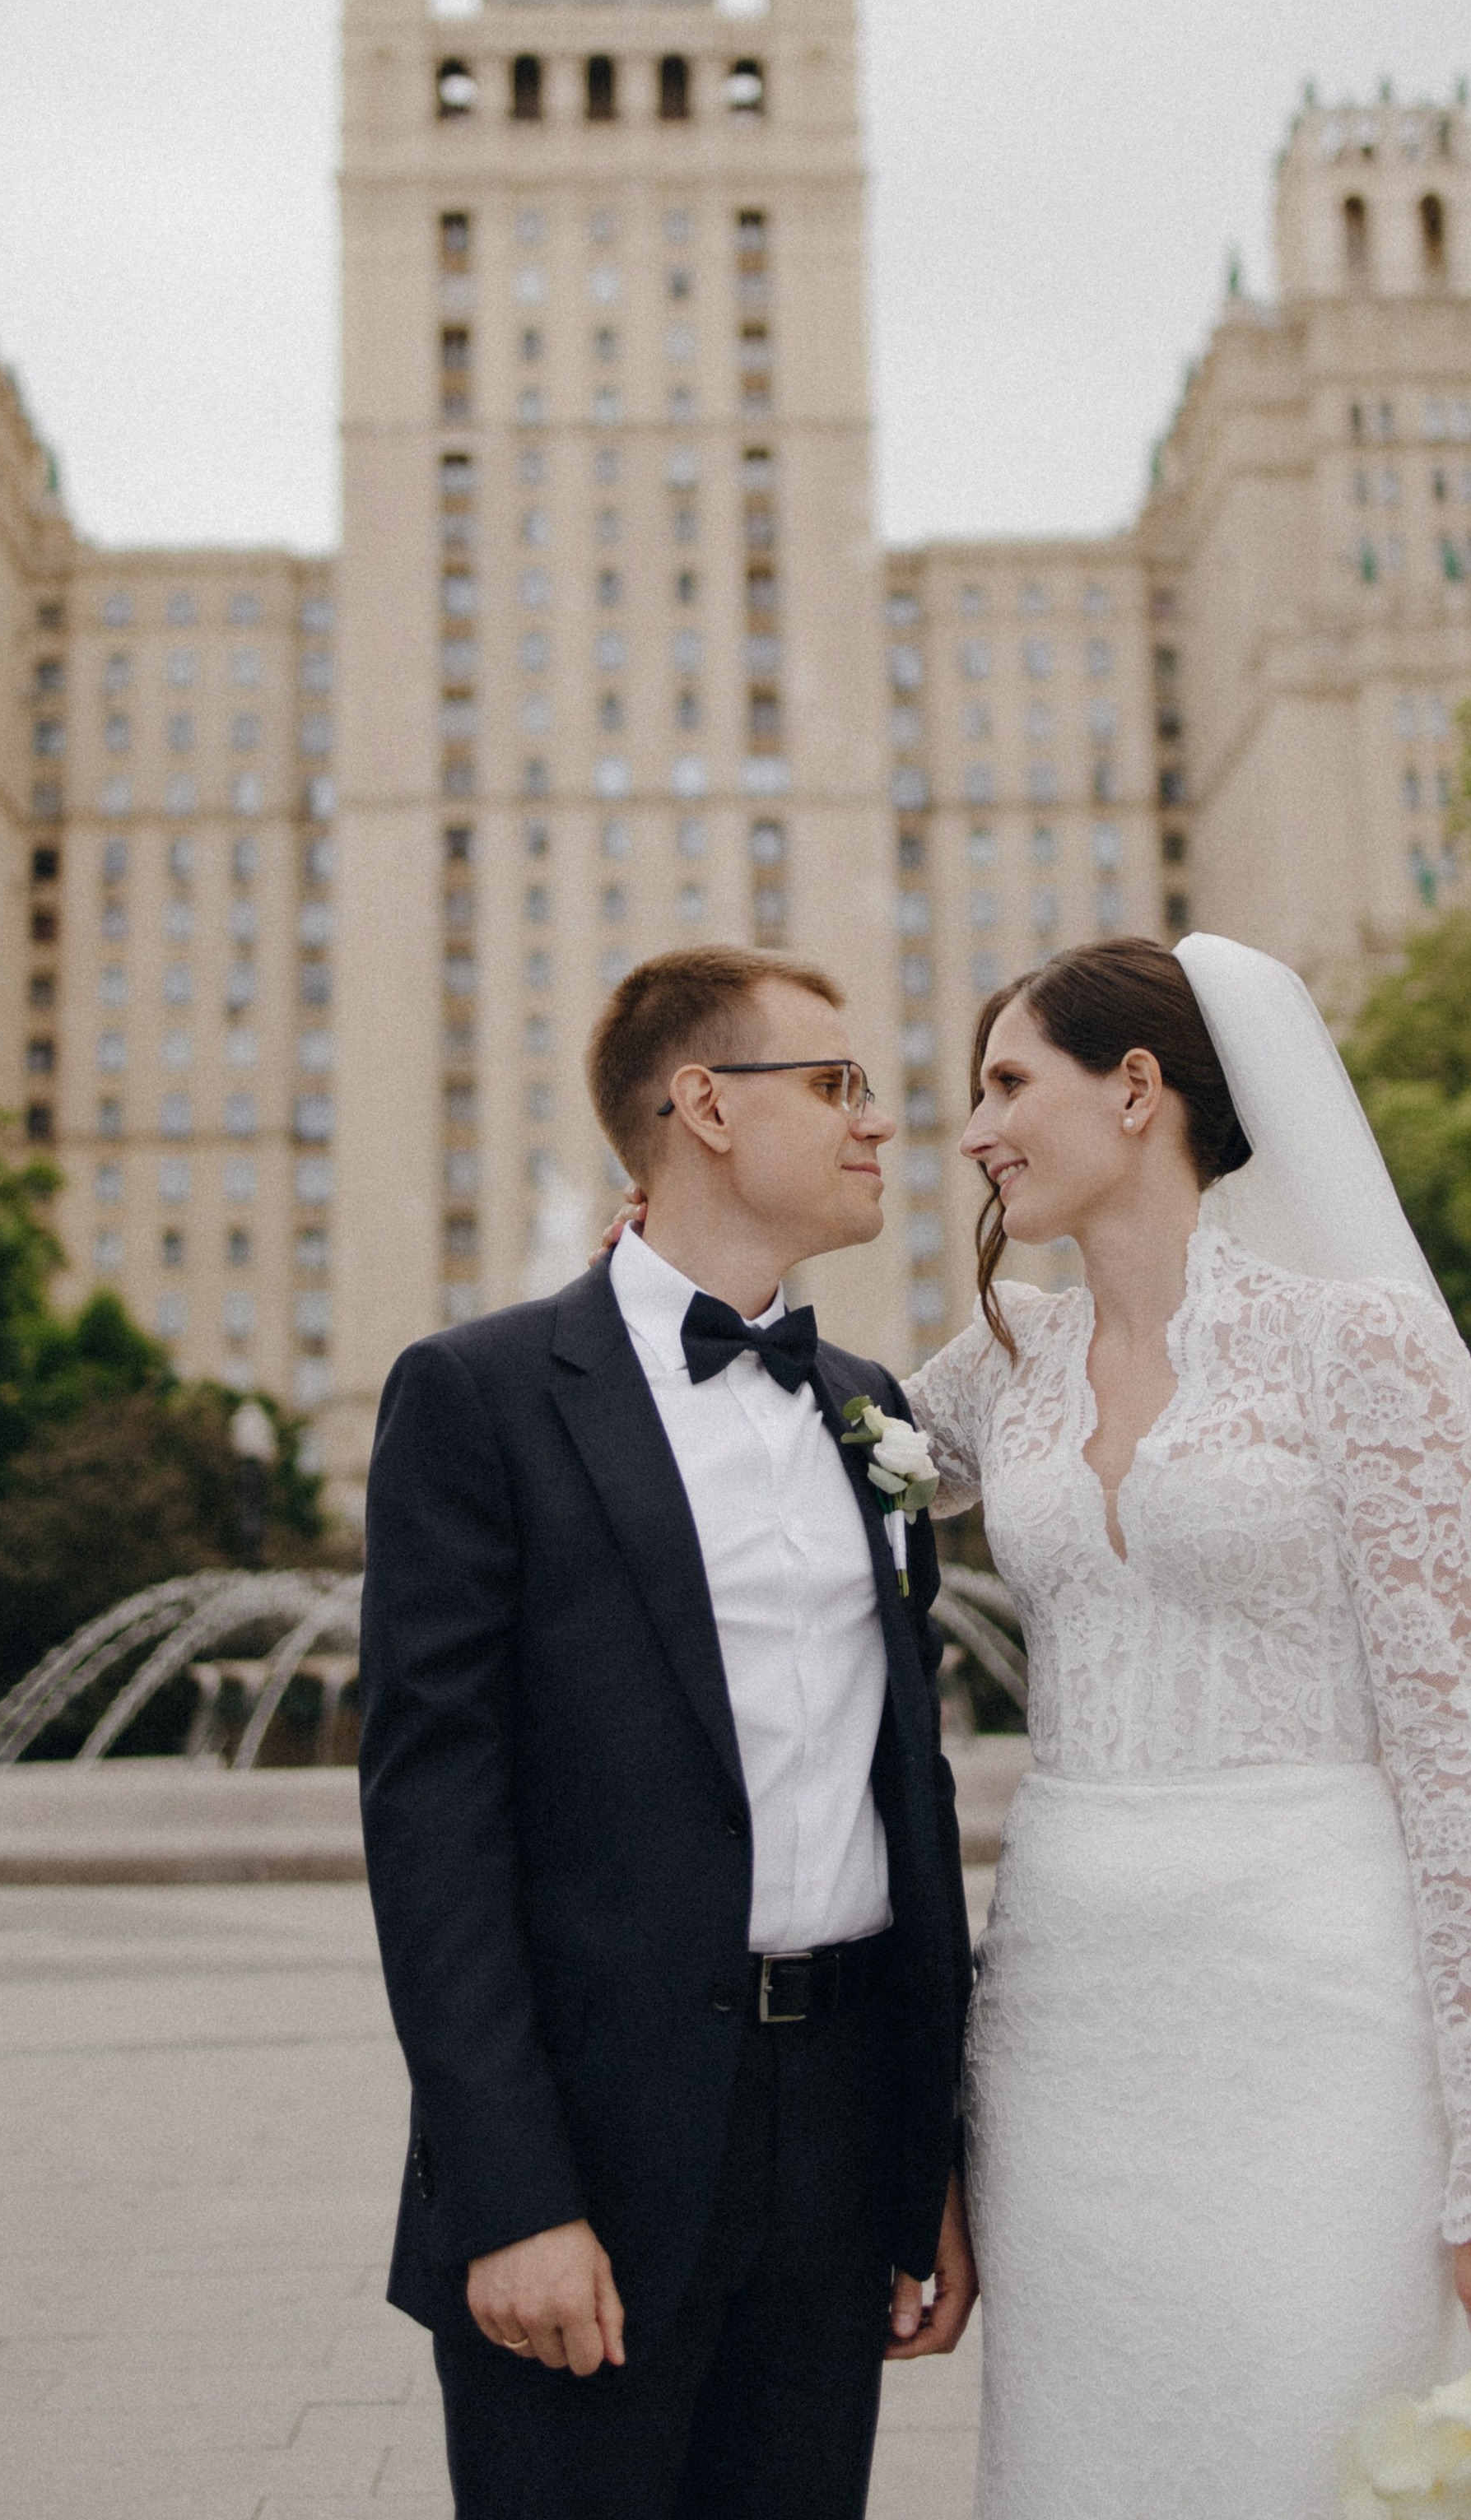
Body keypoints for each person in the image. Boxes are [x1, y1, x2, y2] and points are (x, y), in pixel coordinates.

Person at [906, 931, 1471, 2520]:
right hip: (1066, 2028)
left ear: (1139, 1090)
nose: (974, 1130)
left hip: (1317, 2006)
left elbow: (1457, 1770)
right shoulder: (1003, 1368)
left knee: (1299, 2436)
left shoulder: (1359, 1349)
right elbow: (778, 1447)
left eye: (1006, 1082)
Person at [359, 944, 975, 2520]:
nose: (879, 1124)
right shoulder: (475, 1395)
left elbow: (905, 1788)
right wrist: (510, 2198)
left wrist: (927, 2165)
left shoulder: (871, 1408)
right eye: (836, 1083)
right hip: (592, 2159)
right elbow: (433, 1828)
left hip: (839, 2146)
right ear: (703, 1104)